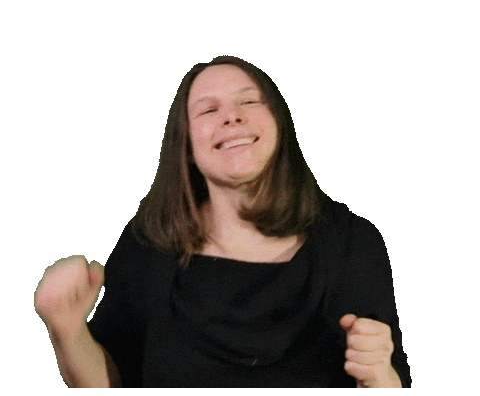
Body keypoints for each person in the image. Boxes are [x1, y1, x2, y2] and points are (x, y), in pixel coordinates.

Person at [34, 56, 410, 388]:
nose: (232, 116)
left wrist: (379, 376)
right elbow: (113, 381)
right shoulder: (149, 242)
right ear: (187, 146)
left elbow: (389, 378)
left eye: (249, 101)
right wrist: (66, 330)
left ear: (279, 123)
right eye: (208, 110)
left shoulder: (351, 242)